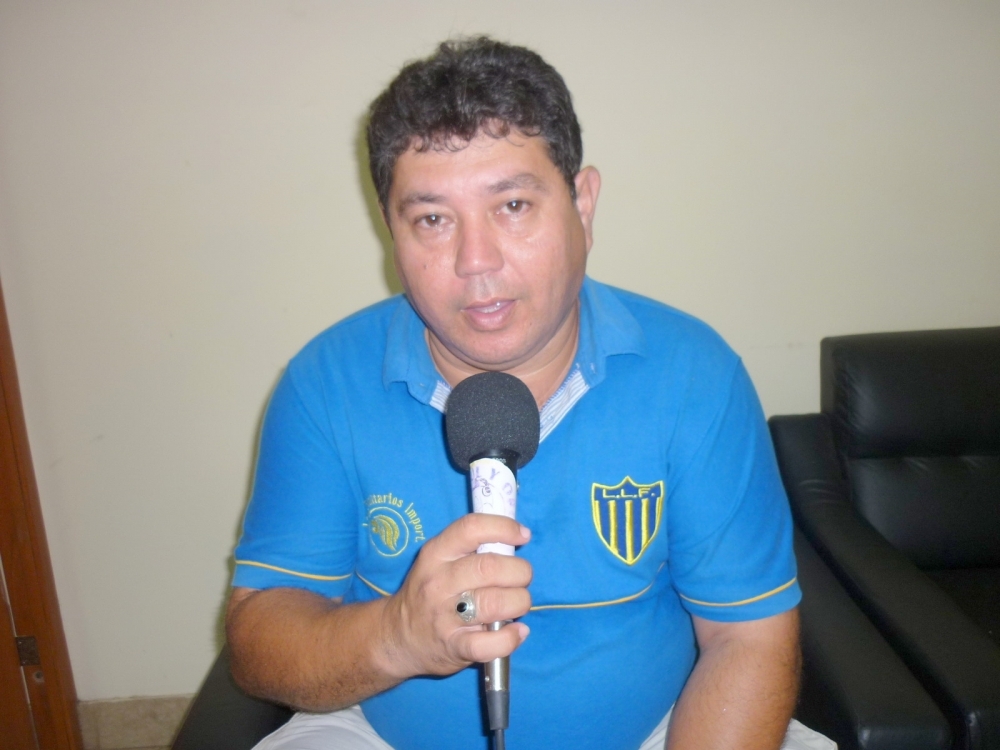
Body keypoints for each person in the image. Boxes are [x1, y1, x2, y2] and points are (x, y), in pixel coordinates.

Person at [226, 37, 832, 750]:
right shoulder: (324, 385)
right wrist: (396, 635)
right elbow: (260, 639)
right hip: (379, 731)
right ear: (391, 230)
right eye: (432, 220)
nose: (475, 262)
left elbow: (747, 638)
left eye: (512, 205)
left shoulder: (696, 376)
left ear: (582, 203)